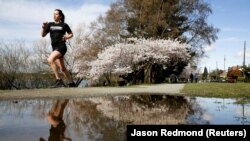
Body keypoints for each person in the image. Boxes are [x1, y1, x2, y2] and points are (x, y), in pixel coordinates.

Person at [41, 9, 76, 88]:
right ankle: (72, 83)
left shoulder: (64, 25)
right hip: (55, 48)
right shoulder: (50, 24)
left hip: (61, 47)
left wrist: (66, 37)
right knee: (62, 68)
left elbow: (71, 34)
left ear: (60, 16)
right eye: (53, 14)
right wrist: (43, 27)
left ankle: (58, 80)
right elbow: (43, 35)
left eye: (56, 14)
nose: (54, 15)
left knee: (50, 60)